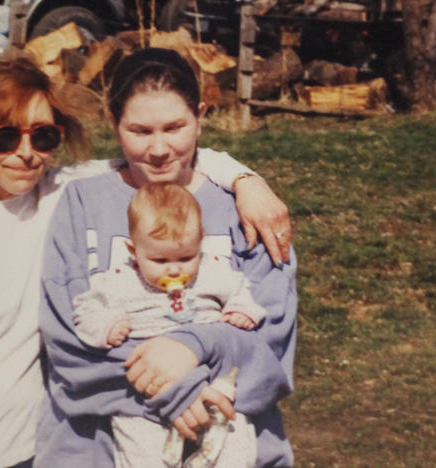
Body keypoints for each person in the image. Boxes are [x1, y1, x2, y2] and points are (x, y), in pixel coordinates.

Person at [0, 54, 292, 468]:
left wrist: (243, 178)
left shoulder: (63, 192)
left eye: (43, 136)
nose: (25, 152)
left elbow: (166, 154)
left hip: (27, 447)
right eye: (3, 136)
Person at [37, 47, 297, 468]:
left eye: (175, 127)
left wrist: (195, 345)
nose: (159, 149)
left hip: (231, 446)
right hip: (95, 452)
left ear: (201, 114)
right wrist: (179, 391)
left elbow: (270, 349)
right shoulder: (83, 203)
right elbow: (68, 340)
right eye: (139, 131)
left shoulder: (247, 210)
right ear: (113, 122)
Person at [72, 182, 264, 467]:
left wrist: (241, 311)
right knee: (142, 449)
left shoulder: (213, 272)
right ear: (133, 250)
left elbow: (241, 291)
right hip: (147, 393)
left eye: (186, 257)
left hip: (211, 381)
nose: (174, 269)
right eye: (159, 259)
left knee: (238, 444)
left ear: (201, 243)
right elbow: (84, 309)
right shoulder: (119, 282)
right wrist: (106, 326)